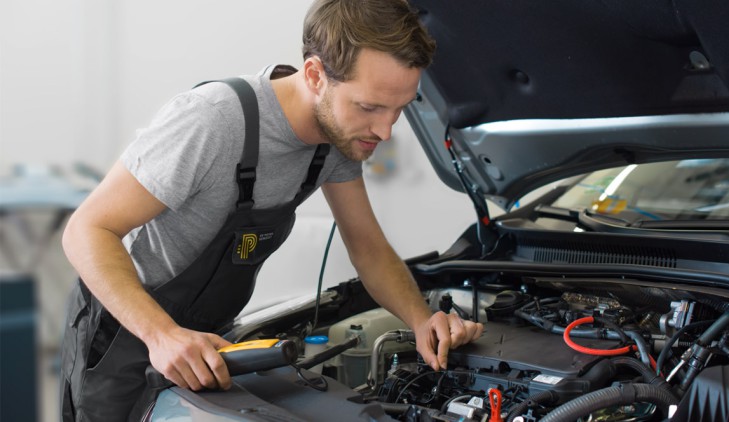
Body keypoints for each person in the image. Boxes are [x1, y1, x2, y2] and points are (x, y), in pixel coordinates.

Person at [59, 0, 483, 420]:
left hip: (211, 338)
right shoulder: (213, 122)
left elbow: (368, 245)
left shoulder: (337, 142)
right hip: (124, 333)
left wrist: (420, 319)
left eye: (400, 109)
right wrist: (162, 334)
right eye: (370, 107)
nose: (385, 131)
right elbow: (86, 230)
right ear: (316, 75)